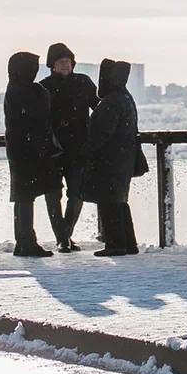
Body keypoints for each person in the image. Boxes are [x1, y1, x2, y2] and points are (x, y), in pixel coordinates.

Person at [40, 42, 99, 252]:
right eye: (60, 61)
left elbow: (98, 108)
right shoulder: (44, 87)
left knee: (77, 193)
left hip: (79, 149)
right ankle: (62, 238)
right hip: (53, 150)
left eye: (68, 61)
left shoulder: (84, 83)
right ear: (52, 65)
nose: (65, 64)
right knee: (53, 194)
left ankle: (65, 234)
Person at [4, 51, 62, 257]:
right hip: (29, 151)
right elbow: (39, 115)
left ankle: (23, 240)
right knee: (26, 197)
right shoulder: (25, 91)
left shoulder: (16, 88)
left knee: (23, 197)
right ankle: (27, 242)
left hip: (21, 150)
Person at [81, 58, 140, 257]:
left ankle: (115, 244)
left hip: (109, 159)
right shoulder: (125, 97)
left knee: (109, 201)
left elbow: (101, 133)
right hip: (123, 158)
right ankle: (128, 242)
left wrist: (86, 150)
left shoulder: (112, 101)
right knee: (119, 200)